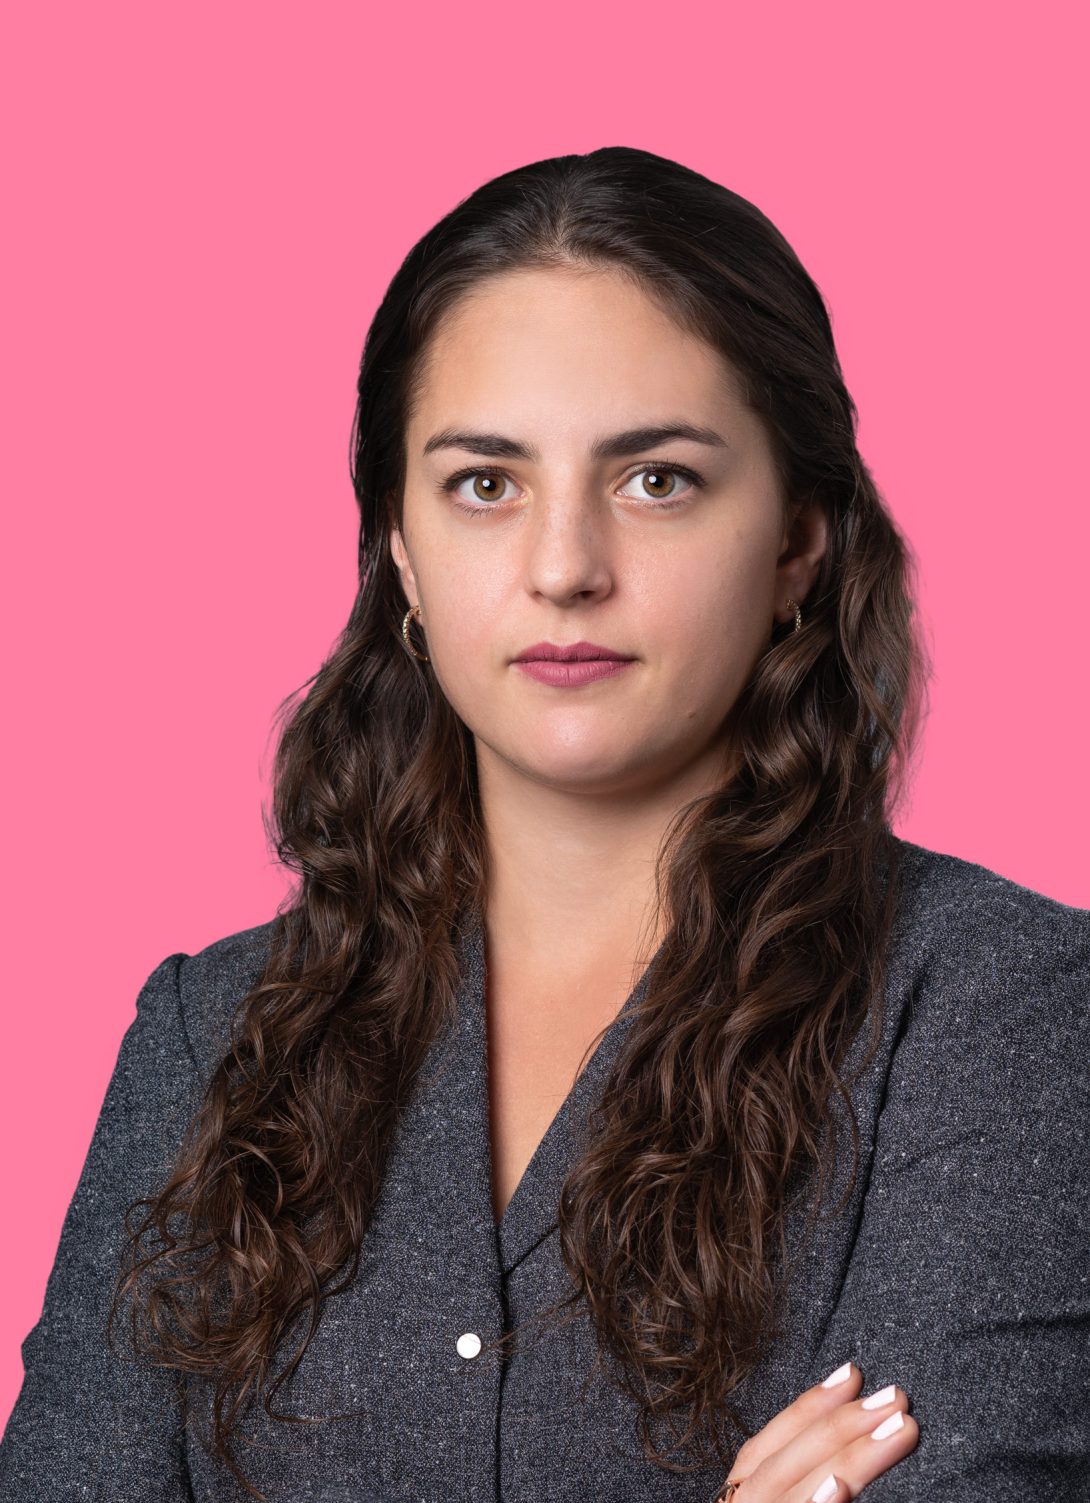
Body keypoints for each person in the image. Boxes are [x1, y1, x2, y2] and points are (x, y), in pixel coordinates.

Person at [1, 146, 1086, 1503]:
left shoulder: (1001, 1013)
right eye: (483, 484)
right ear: (398, 539)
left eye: (656, 481)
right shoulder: (207, 1033)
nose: (564, 566)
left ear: (798, 540)